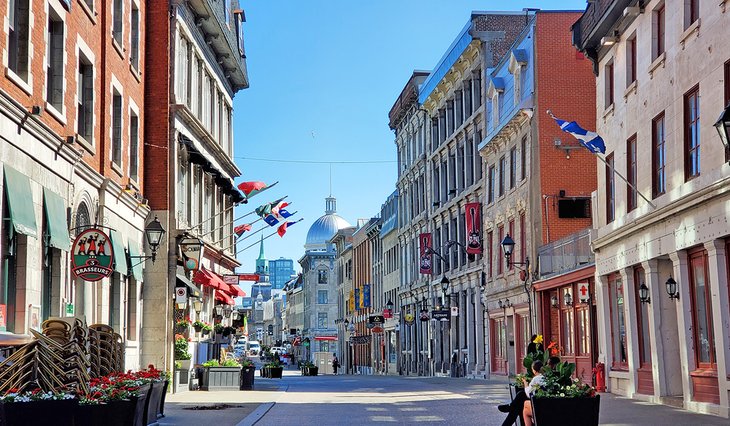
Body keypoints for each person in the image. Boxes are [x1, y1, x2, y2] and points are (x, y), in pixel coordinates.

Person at [522, 360, 546, 426]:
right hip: (549, 404)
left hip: (541, 406)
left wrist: (525, 384)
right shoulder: (548, 377)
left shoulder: (536, 379)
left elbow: (528, 394)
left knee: (525, 406)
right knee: (526, 408)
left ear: (534, 370)